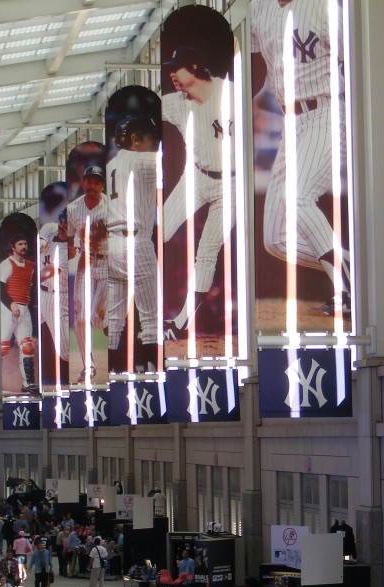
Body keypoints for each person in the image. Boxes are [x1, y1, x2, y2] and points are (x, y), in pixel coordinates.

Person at [250, 0, 352, 318]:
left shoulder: (321, 6)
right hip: (291, 122)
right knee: (275, 239)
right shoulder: (260, 8)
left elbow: (356, 56)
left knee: (298, 197)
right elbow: (252, 65)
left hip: (329, 111)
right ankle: (364, 272)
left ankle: (347, 288)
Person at [161, 46, 237, 339]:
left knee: (206, 253)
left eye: (176, 67)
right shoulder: (176, 103)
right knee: (158, 232)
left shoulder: (230, 92)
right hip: (195, 177)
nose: (171, 74)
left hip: (231, 183)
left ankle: (180, 323)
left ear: (194, 66)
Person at [104, 115, 161, 373]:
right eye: (152, 140)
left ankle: (113, 373)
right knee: (151, 315)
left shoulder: (111, 165)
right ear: (135, 139)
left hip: (112, 245)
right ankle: (153, 373)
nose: (156, 146)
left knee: (115, 319)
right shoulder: (140, 159)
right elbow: (182, 161)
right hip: (134, 242)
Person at [65, 165, 111, 384]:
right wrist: (70, 247)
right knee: (81, 317)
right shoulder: (73, 209)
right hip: (86, 263)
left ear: (102, 185)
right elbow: (68, 239)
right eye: (89, 181)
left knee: (97, 320)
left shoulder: (112, 208)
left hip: (108, 264)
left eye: (96, 181)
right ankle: (88, 366)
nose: (92, 185)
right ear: (84, 183)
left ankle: (106, 321)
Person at [0, 231, 39, 395]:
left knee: (27, 347)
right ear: (12, 247)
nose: (24, 247)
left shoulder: (30, 266)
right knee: (2, 348)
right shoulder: (6, 264)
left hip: (24, 308)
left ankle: (28, 383)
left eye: (25, 244)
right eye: (20, 244)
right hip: (8, 308)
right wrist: (11, 303)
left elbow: (32, 290)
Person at [37, 215, 71, 385]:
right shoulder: (50, 227)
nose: (63, 227)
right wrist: (40, 244)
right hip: (41, 293)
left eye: (67, 225)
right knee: (24, 332)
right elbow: (40, 242)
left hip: (56, 297)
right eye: (62, 222)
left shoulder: (70, 249)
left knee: (64, 350)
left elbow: (47, 272)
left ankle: (73, 380)